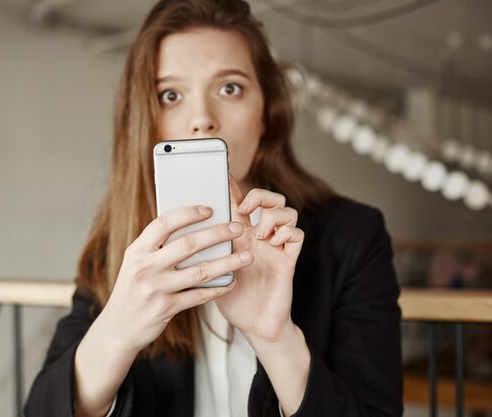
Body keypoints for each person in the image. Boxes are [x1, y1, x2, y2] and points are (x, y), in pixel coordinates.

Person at [24, 0, 403, 416]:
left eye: (230, 88)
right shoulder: (121, 248)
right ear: (146, 121)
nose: (202, 119)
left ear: (266, 115)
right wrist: (118, 331)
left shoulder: (351, 237)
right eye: (171, 95)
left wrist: (277, 339)